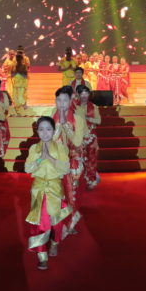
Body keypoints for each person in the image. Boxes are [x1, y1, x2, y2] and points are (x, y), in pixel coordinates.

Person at [25, 116, 74, 271]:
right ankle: (42, 256)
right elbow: (28, 168)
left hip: (54, 189)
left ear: (53, 131)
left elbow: (65, 168)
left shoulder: (60, 148)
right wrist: (40, 159)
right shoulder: (34, 148)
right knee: (40, 223)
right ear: (37, 131)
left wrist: (51, 159)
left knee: (56, 223)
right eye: (41, 129)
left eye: (48, 129)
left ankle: (54, 242)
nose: (45, 133)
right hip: (39, 190)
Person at [52, 86, 86, 229]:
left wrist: (65, 126)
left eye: (65, 100)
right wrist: (58, 127)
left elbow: (77, 142)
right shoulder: (52, 115)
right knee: (56, 194)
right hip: (56, 161)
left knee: (71, 193)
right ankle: (58, 224)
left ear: (70, 101)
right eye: (58, 100)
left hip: (72, 161)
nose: (61, 104)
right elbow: (48, 140)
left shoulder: (78, 118)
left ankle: (70, 222)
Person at [72, 85, 102, 190]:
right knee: (77, 158)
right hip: (78, 137)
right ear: (78, 95)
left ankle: (91, 180)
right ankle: (76, 180)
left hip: (91, 137)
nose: (84, 96)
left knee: (91, 159)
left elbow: (99, 121)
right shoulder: (74, 106)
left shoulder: (93, 107)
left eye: (86, 93)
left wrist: (88, 118)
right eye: (82, 93)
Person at [10, 48, 31, 114]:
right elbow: (12, 75)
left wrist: (19, 73)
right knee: (15, 97)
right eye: (17, 59)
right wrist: (16, 73)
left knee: (21, 97)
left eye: (19, 59)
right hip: (16, 84)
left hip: (21, 85)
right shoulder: (14, 66)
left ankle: (24, 106)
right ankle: (18, 110)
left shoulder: (24, 66)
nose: (18, 60)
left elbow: (25, 76)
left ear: (22, 59)